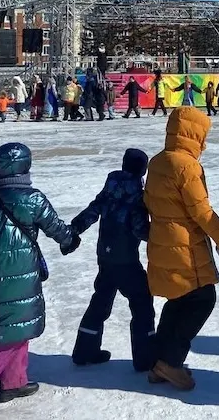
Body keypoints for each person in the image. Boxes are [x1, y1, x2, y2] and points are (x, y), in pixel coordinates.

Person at [0, 143, 79, 407]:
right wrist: (69, 240)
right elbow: (55, 226)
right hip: (22, 272)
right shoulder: (32, 198)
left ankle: (13, 384)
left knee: (16, 327)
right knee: (18, 328)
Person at [144, 107, 219, 390]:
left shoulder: (157, 161)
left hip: (162, 242)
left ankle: (160, 362)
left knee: (178, 301)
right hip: (184, 247)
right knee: (202, 299)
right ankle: (171, 363)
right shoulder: (187, 166)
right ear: (195, 135)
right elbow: (201, 211)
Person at [70, 148, 155, 371]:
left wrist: (75, 228)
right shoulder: (137, 194)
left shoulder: (110, 188)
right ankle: (145, 358)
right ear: (142, 170)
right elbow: (139, 229)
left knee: (101, 301)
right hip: (126, 259)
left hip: (105, 257)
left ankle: (84, 350)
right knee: (142, 303)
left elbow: (92, 210)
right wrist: (161, 237)